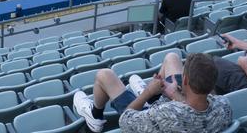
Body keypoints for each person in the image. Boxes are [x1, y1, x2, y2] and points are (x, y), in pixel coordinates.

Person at [73, 52, 232, 133]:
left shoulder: (166, 114)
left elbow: (125, 120)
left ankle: (95, 117)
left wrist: (148, 92)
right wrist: (173, 94)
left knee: (104, 75)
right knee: (172, 57)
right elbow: (195, 113)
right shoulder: (224, 106)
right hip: (176, 110)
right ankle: (156, 93)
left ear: (185, 81)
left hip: (150, 117)